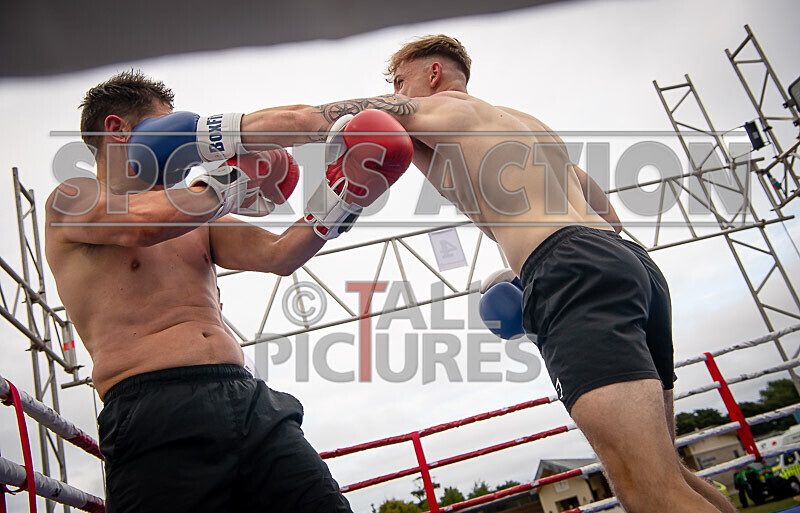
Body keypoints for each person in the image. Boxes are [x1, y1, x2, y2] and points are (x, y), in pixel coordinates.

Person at [213, 35, 737, 513]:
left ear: (433, 74)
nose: (394, 94)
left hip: (570, 270)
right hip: (630, 264)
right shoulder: (526, 124)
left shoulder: (434, 108)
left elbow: (309, 118)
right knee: (671, 472)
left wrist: (212, 137)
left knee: (645, 489)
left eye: (398, 82)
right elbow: (596, 200)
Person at [44, 70, 412, 513]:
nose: (185, 149)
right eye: (169, 128)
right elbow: (142, 226)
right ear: (118, 130)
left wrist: (343, 196)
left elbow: (279, 255)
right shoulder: (72, 198)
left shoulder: (197, 208)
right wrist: (231, 179)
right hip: (154, 408)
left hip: (248, 399)